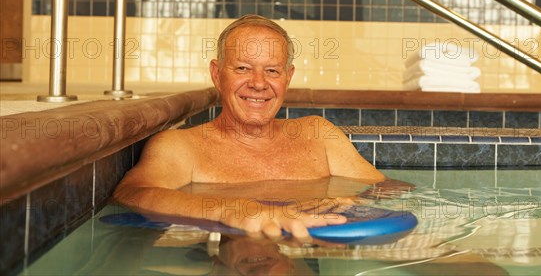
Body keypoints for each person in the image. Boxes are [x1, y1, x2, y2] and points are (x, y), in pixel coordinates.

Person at [113, 15, 386, 240]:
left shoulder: (319, 135)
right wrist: (232, 209)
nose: (258, 83)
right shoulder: (183, 147)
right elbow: (133, 193)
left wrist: (352, 202)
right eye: (243, 68)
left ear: (287, 78)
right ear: (217, 74)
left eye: (272, 71)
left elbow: (388, 190)